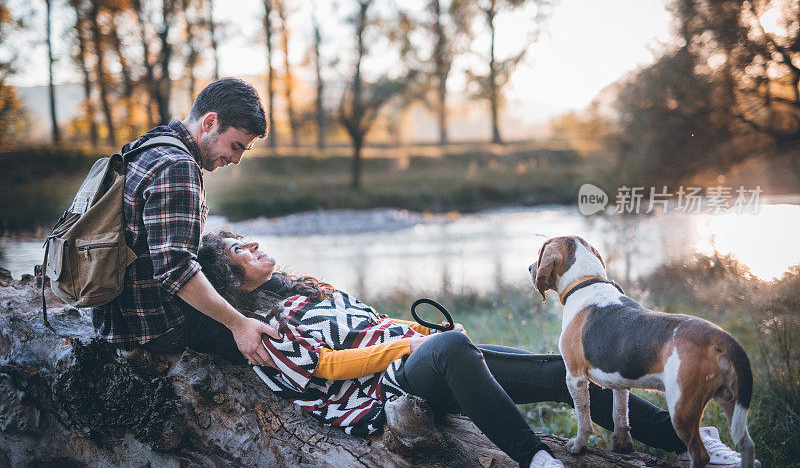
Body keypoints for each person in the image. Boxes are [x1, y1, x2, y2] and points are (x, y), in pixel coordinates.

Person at [196, 229, 753, 468]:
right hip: (387, 387)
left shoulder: (306, 291)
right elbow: (325, 368)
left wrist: (414, 336)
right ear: (228, 274)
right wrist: (415, 346)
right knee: (456, 347)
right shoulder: (258, 326)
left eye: (247, 238)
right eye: (239, 250)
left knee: (561, 372)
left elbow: (372, 325)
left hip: (421, 356)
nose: (253, 246)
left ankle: (685, 442)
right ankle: (534, 456)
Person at [92, 78, 279, 368]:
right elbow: (174, 269)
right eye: (235, 145)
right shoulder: (178, 167)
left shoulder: (152, 143)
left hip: (116, 319)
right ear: (210, 122)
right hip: (155, 331)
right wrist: (239, 325)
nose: (236, 159)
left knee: (258, 277)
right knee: (277, 325)